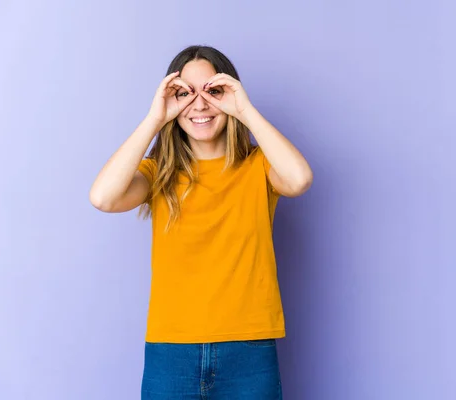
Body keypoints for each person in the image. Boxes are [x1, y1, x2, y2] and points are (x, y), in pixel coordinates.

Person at [89, 45, 313, 399]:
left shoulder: (260, 166)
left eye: (212, 91)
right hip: (171, 349)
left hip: (249, 348)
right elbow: (103, 197)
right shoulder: (158, 172)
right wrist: (154, 119)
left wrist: (245, 110)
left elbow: (299, 179)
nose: (199, 104)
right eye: (184, 93)